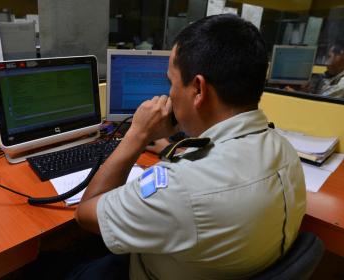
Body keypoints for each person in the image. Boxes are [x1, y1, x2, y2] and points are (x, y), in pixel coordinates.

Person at [74, 14, 306, 279]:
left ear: (198, 89)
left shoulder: (180, 190)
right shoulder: (284, 150)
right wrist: (167, 149)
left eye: (171, 83)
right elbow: (220, 168)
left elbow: (86, 213)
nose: (170, 94)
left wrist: (136, 136)